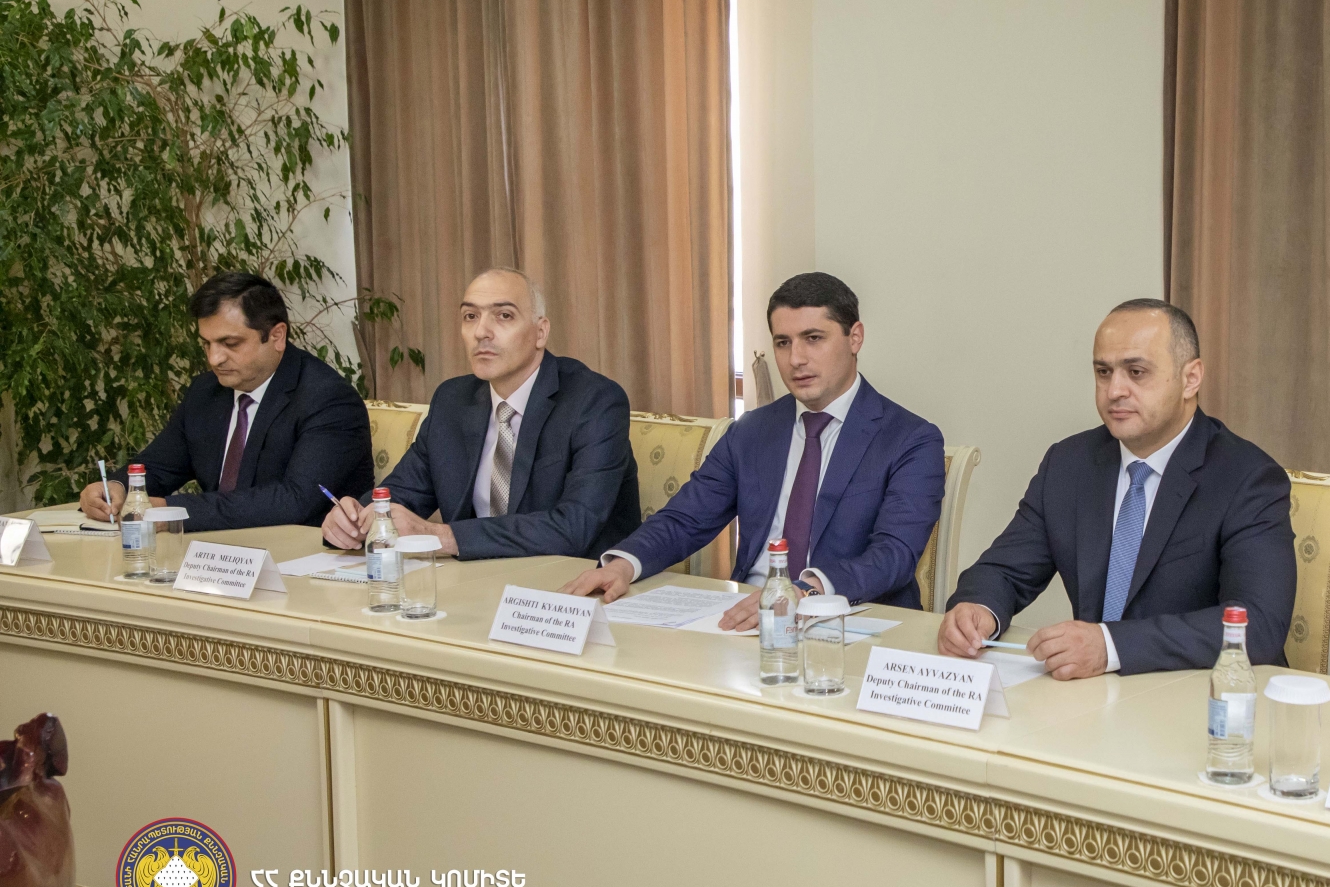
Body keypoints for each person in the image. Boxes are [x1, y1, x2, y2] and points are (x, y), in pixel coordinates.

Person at [562, 272, 945, 626]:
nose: (796, 359)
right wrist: (622, 565)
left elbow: (893, 555)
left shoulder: (910, 439)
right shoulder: (752, 430)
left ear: (855, 337)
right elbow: (685, 519)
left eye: (813, 338)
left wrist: (804, 592)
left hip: (852, 623)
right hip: (747, 621)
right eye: (783, 342)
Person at [938, 300, 1296, 678]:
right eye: (1103, 372)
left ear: (1191, 378)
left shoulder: (1247, 478)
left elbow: (1258, 624)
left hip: (1202, 696)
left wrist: (1111, 646)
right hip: (1092, 697)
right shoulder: (1070, 463)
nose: (1114, 391)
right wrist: (978, 609)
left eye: (1136, 372)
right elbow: (1004, 571)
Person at [319, 268, 639, 560]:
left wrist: (441, 536)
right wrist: (355, 520)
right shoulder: (453, 401)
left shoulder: (594, 402)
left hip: (572, 584)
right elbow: (400, 495)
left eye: (503, 315)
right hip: (474, 583)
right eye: (470, 316)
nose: (481, 331)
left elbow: (574, 527)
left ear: (540, 332)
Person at [79, 273, 373, 531]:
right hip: (216, 553)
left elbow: (294, 500)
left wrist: (170, 511)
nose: (214, 359)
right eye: (206, 344)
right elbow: (158, 466)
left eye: (230, 344)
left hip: (298, 556)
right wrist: (116, 488)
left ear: (277, 336)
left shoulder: (328, 399)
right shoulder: (206, 392)